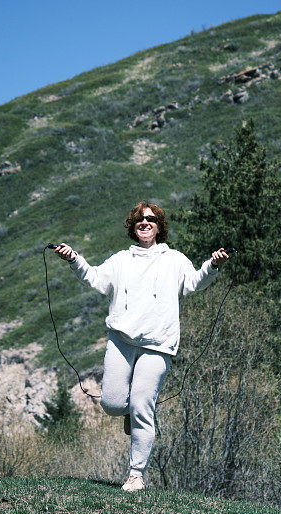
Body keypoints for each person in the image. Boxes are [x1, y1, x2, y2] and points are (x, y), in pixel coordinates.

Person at [54, 201, 229, 492]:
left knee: (141, 406)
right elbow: (95, 279)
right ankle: (128, 414)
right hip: (122, 341)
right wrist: (74, 258)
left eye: (150, 219)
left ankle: (136, 475)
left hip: (158, 345)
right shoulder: (121, 259)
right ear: (133, 227)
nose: (145, 223)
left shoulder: (174, 259)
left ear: (159, 227)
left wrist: (213, 265)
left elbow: (195, 282)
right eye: (139, 220)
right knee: (111, 404)